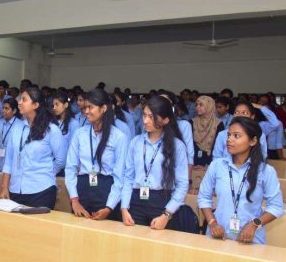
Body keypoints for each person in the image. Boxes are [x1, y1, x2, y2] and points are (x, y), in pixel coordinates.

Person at [198, 117, 283, 244]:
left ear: (253, 141)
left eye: (236, 136)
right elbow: (204, 197)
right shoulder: (217, 165)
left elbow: (276, 206)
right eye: (229, 135)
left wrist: (255, 224)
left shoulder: (265, 171)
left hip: (250, 240)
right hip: (218, 237)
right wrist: (212, 223)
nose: (229, 139)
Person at [121, 96, 189, 229]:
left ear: (165, 120)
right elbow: (128, 177)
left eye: (151, 117)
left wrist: (167, 215)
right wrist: (124, 208)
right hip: (135, 202)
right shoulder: (136, 142)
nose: (145, 121)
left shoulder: (177, 146)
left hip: (162, 203)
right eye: (144, 115)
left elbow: (182, 184)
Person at [65, 89, 128, 220]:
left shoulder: (118, 137)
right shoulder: (80, 134)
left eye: (90, 107)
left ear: (103, 108)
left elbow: (120, 176)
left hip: (106, 191)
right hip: (82, 189)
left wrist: (109, 207)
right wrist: (74, 200)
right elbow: (70, 168)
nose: (86, 111)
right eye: (85, 107)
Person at [0, 87, 66, 208]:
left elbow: (60, 160)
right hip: (15, 189)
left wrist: (45, 172)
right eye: (20, 99)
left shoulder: (51, 130)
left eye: (24, 100)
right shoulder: (17, 128)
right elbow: (9, 160)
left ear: (35, 105)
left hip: (41, 190)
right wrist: (4, 187)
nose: (19, 102)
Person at [191, 96, 224, 167]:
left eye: (201, 105)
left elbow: (218, 145)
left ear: (209, 106)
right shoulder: (192, 122)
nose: (197, 107)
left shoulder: (218, 124)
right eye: (196, 105)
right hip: (194, 160)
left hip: (211, 161)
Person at [53, 92, 79, 175]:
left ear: (66, 105)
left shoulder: (74, 124)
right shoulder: (54, 122)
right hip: (53, 163)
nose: (54, 108)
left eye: (57, 104)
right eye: (53, 105)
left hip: (67, 166)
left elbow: (73, 148)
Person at [0, 98, 23, 172]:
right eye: (3, 108)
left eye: (6, 108)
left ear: (14, 111)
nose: (3, 111)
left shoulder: (20, 125)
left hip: (13, 165)